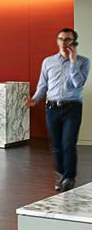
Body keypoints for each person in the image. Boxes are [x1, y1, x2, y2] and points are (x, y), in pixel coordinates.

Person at [25, 28, 91, 191]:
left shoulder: (83, 61)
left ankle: (69, 177)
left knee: (68, 143)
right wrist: (35, 99)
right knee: (56, 145)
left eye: (67, 39)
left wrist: (73, 61)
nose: (63, 42)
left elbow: (79, 84)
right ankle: (62, 174)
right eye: (60, 39)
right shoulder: (48, 62)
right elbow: (43, 85)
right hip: (52, 107)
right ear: (57, 41)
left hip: (72, 108)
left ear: (74, 42)